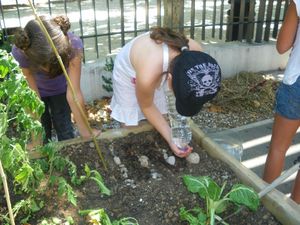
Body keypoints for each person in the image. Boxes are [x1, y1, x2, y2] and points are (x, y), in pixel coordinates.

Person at [110, 27, 221, 158]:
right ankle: (132, 154)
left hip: (158, 65)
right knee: (131, 124)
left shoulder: (196, 55)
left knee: (163, 115)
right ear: (169, 79)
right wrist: (170, 138)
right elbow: (146, 105)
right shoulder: (149, 72)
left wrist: (171, 136)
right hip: (129, 72)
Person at [12, 15, 99, 145]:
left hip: (61, 90)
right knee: (42, 129)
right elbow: (32, 96)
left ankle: (67, 151)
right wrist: (36, 139)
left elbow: (74, 92)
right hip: (37, 91)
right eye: (44, 65)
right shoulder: (21, 51)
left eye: (56, 64)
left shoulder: (73, 45)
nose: (49, 71)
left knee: (64, 126)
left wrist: (86, 130)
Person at [263, 0, 300, 204]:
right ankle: (294, 211)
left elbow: (282, 46)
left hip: (298, 82)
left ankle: (266, 208)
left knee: (278, 147)